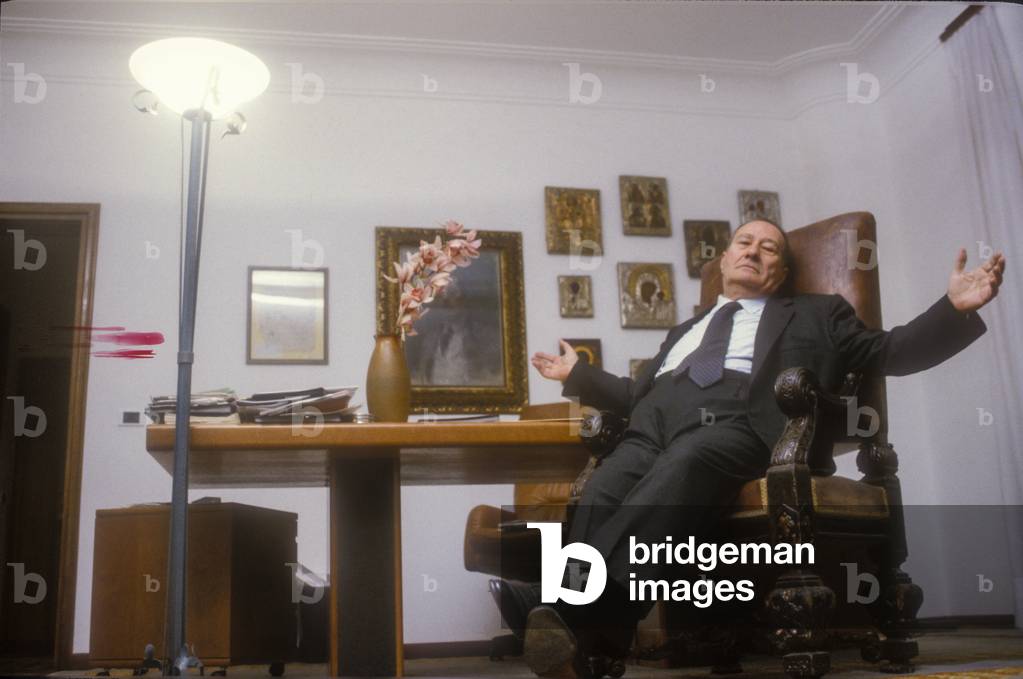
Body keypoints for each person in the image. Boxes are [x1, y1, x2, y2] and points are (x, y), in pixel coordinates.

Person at [518, 219, 1005, 679]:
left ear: (782, 273)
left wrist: (954, 308)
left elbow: (888, 351)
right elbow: (635, 395)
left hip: (738, 422)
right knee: (602, 488)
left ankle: (565, 611)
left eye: (769, 247)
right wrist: (576, 376)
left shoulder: (818, 312)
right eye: (744, 243)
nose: (753, 250)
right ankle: (588, 650)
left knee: (684, 466)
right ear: (725, 261)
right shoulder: (684, 332)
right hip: (652, 426)